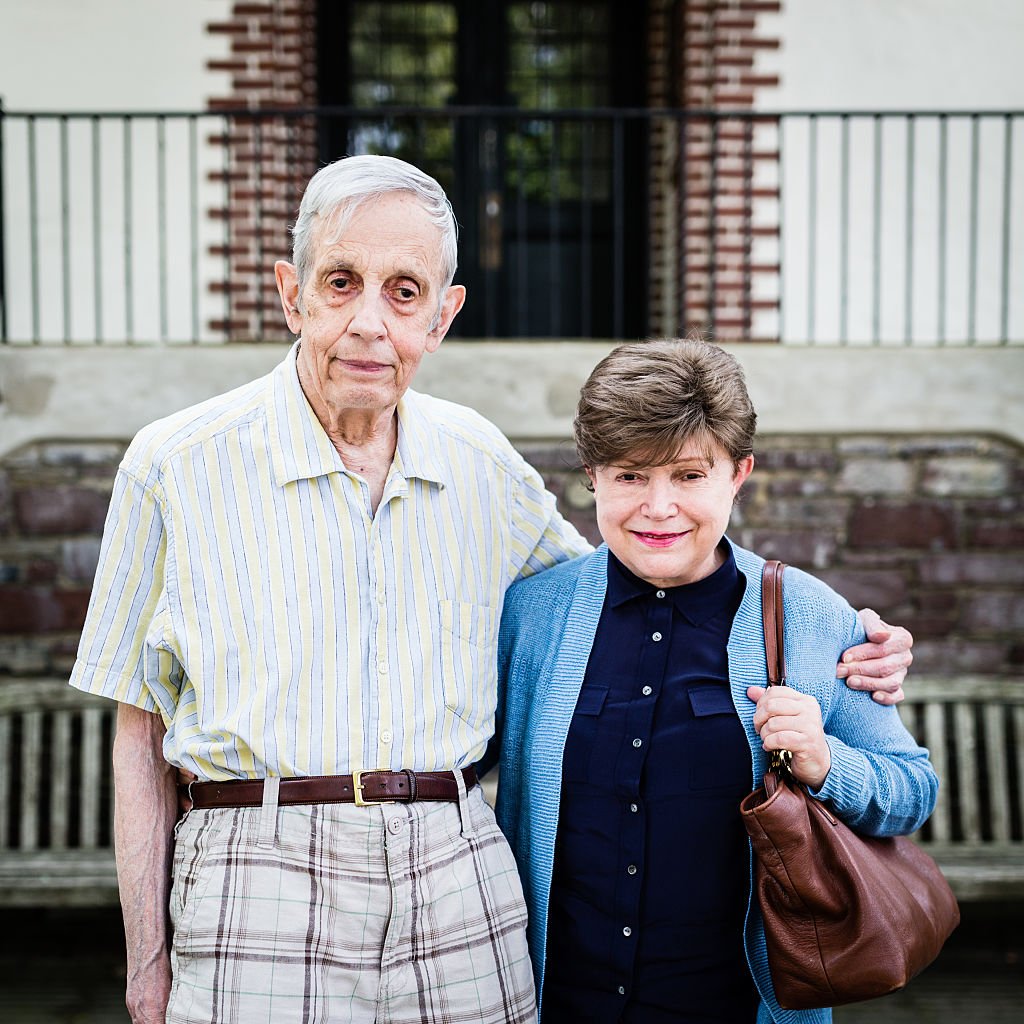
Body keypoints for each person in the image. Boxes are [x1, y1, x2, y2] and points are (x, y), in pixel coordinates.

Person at [69, 156, 913, 1024]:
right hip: (259, 874)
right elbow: (140, 729)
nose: (369, 322)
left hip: (457, 876)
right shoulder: (173, 464)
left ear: (442, 315)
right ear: (292, 295)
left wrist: (838, 637)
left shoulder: (478, 461)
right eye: (340, 282)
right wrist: (145, 963)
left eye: (404, 292)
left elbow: (637, 565)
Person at [492, 338, 938, 1024]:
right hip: (559, 1003)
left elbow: (912, 791)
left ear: (738, 474)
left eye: (689, 475)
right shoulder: (532, 617)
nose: (658, 507)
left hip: (735, 1007)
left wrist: (827, 763)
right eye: (630, 476)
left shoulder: (807, 615)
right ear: (593, 478)